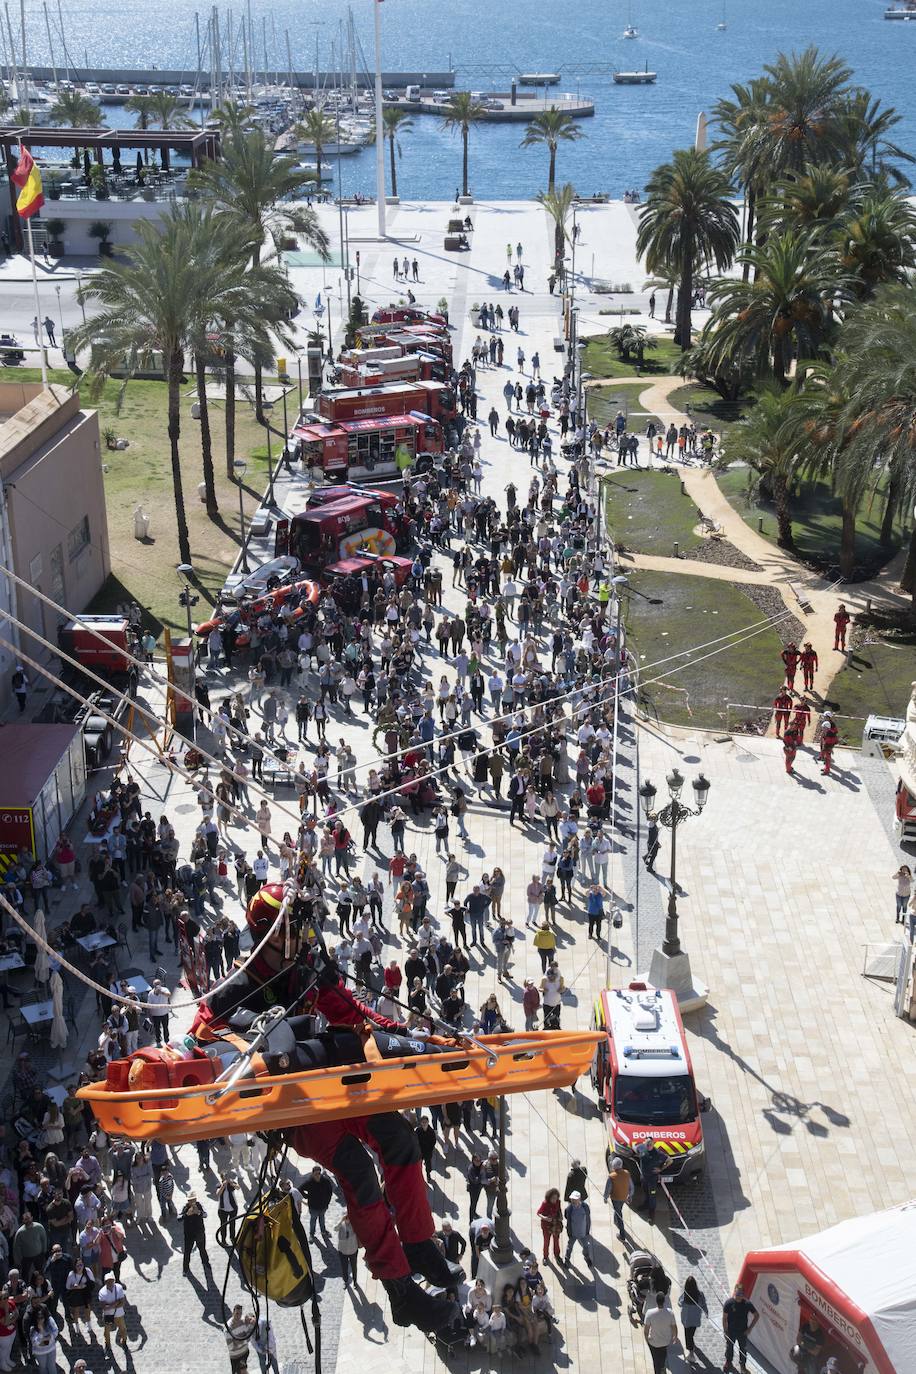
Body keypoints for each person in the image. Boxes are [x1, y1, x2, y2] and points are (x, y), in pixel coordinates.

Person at [722, 1282, 758, 1372]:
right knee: (729, 1347)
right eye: (737, 1294)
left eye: (741, 1294)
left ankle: (742, 1366)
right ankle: (728, 1362)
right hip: (731, 1331)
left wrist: (750, 1329)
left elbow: (757, 1315)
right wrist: (725, 1331)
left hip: (743, 1331)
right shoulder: (729, 1303)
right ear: (734, 1292)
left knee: (743, 1349)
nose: (739, 1296)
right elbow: (724, 1318)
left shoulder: (747, 1304)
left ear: (743, 1294)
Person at [644, 1292, 678, 1372]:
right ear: (664, 1301)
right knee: (663, 1355)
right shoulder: (670, 1313)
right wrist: (675, 1337)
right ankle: (662, 1367)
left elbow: (646, 1330)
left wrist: (647, 1339)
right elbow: (674, 1327)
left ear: (656, 1301)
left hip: (653, 1341)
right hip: (665, 1341)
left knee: (655, 1360)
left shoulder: (650, 1313)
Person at [97, 1270, 129, 1351]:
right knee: (107, 1331)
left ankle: (124, 1341)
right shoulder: (102, 1292)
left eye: (111, 1280)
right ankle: (107, 1344)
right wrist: (115, 1304)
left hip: (119, 1314)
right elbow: (104, 1307)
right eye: (108, 1281)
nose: (110, 1282)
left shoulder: (119, 1288)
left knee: (123, 1329)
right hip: (108, 1315)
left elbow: (122, 1303)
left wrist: (110, 1305)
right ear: (105, 1282)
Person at [180, 1193, 210, 1275]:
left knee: (202, 1249)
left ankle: (205, 1262)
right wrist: (186, 1214)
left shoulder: (200, 1206)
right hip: (189, 1234)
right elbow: (179, 1218)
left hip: (199, 1232)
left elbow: (205, 1215)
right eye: (190, 1200)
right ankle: (185, 1269)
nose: (192, 1202)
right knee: (187, 1252)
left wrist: (199, 1212)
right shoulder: (185, 1207)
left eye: (194, 1200)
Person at [679, 1275, 706, 1364]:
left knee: (688, 1336)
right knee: (691, 1334)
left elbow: (680, 1303)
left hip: (687, 1320)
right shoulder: (700, 1295)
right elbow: (704, 1304)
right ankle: (692, 1347)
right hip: (695, 1320)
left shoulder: (685, 1295)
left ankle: (691, 1353)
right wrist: (706, 1312)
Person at [304, 1165, 333, 1242]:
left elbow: (330, 1192)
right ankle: (312, 1234)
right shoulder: (309, 1182)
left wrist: (327, 1202)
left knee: (322, 1219)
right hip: (313, 1207)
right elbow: (300, 1189)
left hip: (323, 1206)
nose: (317, 1175)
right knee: (313, 1221)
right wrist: (307, 1196)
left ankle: (323, 1232)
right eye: (316, 1174)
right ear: (312, 1174)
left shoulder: (325, 1181)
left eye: (319, 1173)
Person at [562, 1192, 591, 1267]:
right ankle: (567, 1260)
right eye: (572, 1199)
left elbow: (588, 1216)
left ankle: (587, 1257)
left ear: (579, 1199)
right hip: (573, 1233)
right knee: (569, 1247)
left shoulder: (585, 1207)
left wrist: (587, 1230)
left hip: (583, 1233)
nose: (573, 1201)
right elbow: (566, 1217)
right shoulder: (569, 1209)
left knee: (586, 1247)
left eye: (574, 1199)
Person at [225, 1304, 256, 1373]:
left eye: (240, 1313)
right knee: (239, 1372)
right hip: (235, 1356)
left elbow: (249, 1333)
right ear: (233, 1312)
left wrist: (252, 1321)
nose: (239, 1315)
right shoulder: (229, 1327)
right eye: (237, 1313)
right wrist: (244, 1340)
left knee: (243, 1371)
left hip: (244, 1353)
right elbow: (231, 1346)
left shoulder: (243, 1320)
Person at [605, 1155, 630, 1240]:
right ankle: (616, 1219)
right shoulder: (627, 1173)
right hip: (624, 1197)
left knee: (619, 1215)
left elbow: (608, 1189)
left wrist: (605, 1197)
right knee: (619, 1209)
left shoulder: (612, 1176)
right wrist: (630, 1195)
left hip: (615, 1198)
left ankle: (622, 1235)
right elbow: (631, 1186)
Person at [536, 1187, 562, 1263]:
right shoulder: (545, 1203)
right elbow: (538, 1213)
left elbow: (559, 1210)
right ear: (549, 1197)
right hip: (546, 1226)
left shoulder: (558, 1202)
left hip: (555, 1224)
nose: (554, 1200)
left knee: (556, 1241)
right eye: (553, 1198)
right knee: (546, 1242)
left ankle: (557, 1255)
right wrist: (545, 1218)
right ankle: (545, 1257)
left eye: (556, 1198)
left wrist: (560, 1216)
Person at [336, 1212, 359, 1286]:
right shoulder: (341, 1225)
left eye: (349, 1217)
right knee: (344, 1267)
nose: (347, 1219)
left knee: (354, 1267)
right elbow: (335, 1228)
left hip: (353, 1250)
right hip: (343, 1251)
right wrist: (341, 1221)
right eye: (346, 1218)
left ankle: (355, 1281)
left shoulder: (355, 1225)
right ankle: (345, 1281)